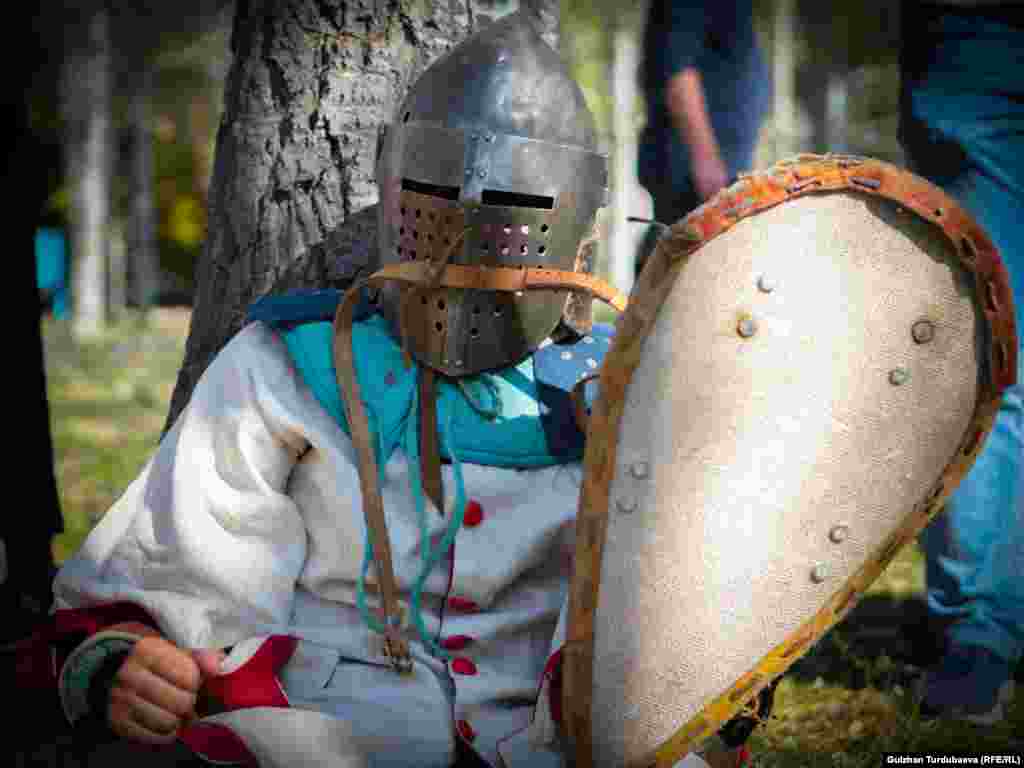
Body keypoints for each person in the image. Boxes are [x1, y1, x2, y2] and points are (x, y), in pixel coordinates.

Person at [11, 14, 755, 768]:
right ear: (393, 196)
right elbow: (177, 563)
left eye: (509, 227)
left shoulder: (616, 401)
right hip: (330, 727)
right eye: (433, 206)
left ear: (577, 241)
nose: (462, 254)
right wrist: (126, 664)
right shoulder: (288, 366)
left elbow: (668, 621)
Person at [899, 0, 1024, 724]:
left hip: (962, 45)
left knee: (993, 367)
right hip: (983, 47)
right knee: (996, 367)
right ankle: (979, 634)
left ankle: (973, 626)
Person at [636, 0, 771, 271]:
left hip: (709, 179)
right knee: (678, 280)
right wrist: (706, 159)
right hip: (696, 183)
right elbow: (679, 74)